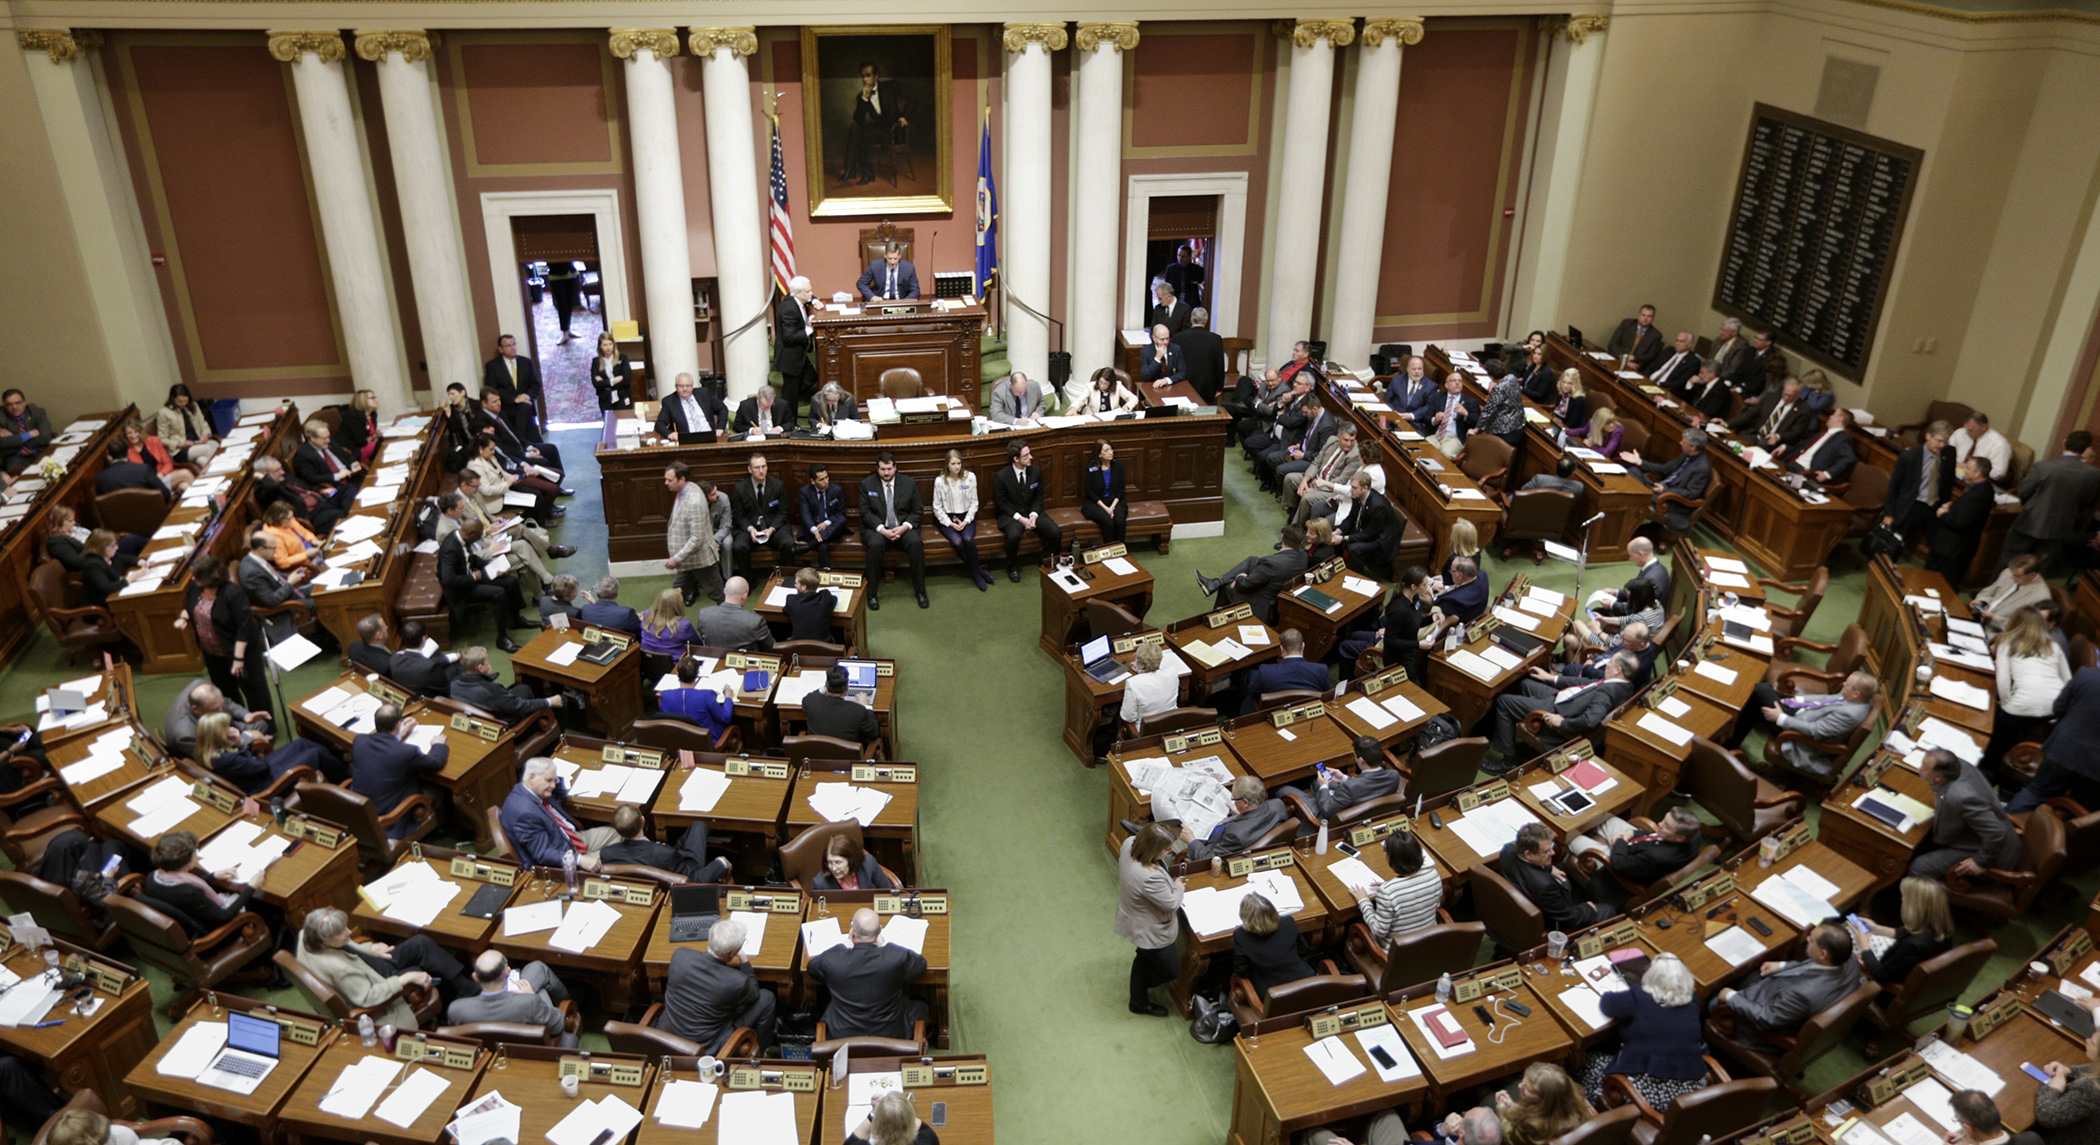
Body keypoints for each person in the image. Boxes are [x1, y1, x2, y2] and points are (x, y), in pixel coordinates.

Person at [296, 907, 474, 1029]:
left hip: (368, 965)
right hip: (376, 984)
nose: (349, 932)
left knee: (422, 943)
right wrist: (405, 979)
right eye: (342, 932)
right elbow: (368, 997)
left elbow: (347, 946)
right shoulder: (340, 970)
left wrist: (369, 948)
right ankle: (460, 1003)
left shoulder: (309, 934)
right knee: (419, 970)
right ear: (326, 941)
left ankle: (468, 990)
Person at [1575, 952, 1706, 1109]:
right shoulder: (1693, 1001)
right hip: (1691, 1091)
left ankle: (1590, 1107)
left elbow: (1607, 1003)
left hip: (1648, 1095)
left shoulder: (1640, 997)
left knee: (1588, 1061)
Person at [1712, 922, 1863, 1053]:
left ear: (1823, 953)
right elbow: (1815, 966)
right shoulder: (1849, 960)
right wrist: (1782, 966)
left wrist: (1731, 997)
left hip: (1761, 1028)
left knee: (1713, 1002)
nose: (1807, 939)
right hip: (1781, 992)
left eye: (1811, 940)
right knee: (1750, 974)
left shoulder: (1802, 995)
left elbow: (1765, 1018)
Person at [1487, 651, 1640, 768]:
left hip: (1558, 711)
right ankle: (1508, 730)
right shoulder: (1626, 685)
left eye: (1610, 662)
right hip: (1568, 700)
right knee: (1526, 683)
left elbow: (1590, 720)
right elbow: (1586, 683)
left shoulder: (1607, 692)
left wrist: (1563, 722)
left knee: (1504, 701)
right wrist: (1550, 678)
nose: (1606, 663)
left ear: (1617, 670)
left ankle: (1508, 761)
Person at [1725, 670, 1878, 779]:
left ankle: (1730, 745)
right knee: (1758, 702)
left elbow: (1814, 731)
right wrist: (1793, 701)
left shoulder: (1850, 714)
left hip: (1798, 736)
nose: (1844, 684)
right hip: (1799, 717)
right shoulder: (1854, 698)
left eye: (1848, 685)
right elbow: (1826, 698)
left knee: (1762, 690)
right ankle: (1731, 744)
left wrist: (1781, 718)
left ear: (1856, 694)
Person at [172, 557, 273, 717]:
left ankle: (266, 727)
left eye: (197, 576)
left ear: (209, 578)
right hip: (213, 653)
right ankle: (241, 725)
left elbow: (243, 627)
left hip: (241, 651)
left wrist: (238, 659)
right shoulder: (195, 587)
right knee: (226, 692)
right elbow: (188, 606)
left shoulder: (232, 592)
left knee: (254, 691)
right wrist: (183, 618)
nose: (193, 578)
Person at [660, 916, 776, 1052]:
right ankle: (758, 1051)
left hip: (668, 1038)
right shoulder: (736, 981)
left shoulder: (680, 956)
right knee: (766, 997)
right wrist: (743, 959)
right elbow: (754, 993)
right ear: (733, 953)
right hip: (707, 1046)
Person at [808, 906, 928, 1039]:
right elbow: (920, 965)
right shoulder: (896, 957)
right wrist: (885, 945)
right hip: (891, 1034)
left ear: (853, 931)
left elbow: (812, 968)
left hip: (842, 1034)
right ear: (880, 930)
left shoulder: (832, 959)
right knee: (921, 1003)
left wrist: (844, 945)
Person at [1566, 806, 1704, 910]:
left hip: (1616, 868)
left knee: (1573, 838)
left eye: (1666, 826)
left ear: (1680, 838)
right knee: (1605, 817)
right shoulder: (1694, 835)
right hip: (1639, 848)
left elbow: (1618, 865)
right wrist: (1630, 832)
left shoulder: (1656, 857)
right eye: (1664, 820)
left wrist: (1621, 839)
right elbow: (1653, 837)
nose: (1659, 824)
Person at [1910, 750, 2021, 878]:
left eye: (1924, 769)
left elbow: (1996, 833)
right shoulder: (1958, 765)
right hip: (1977, 834)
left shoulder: (1961, 797)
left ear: (1939, 777)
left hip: (1992, 853)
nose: (1919, 769)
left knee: (1919, 867)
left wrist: (1980, 861)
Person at [1114, 822, 1185, 1016]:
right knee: (1170, 971)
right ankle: (1141, 991)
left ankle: (1138, 1001)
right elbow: (1171, 903)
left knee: (1144, 958)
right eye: (1166, 849)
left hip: (1135, 917)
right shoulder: (1148, 876)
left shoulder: (1130, 843)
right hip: (1151, 929)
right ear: (1153, 849)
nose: (1170, 852)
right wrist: (1178, 887)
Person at [1990, 606, 2072, 769]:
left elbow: (2003, 681)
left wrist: (2005, 706)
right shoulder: (2053, 646)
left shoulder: (2007, 642)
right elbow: (2069, 681)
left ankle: (1989, 767)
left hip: (2021, 706)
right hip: (2054, 708)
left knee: (1997, 732)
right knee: (2017, 728)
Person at [350, 703, 450, 834]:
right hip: (388, 816)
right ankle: (437, 829)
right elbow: (436, 763)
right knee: (436, 792)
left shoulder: (359, 740)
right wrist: (438, 745)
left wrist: (398, 735)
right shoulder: (406, 752)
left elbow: (383, 749)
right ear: (398, 725)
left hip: (361, 808)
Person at [501, 757, 615, 870]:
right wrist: (578, 860)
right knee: (619, 856)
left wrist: (554, 776)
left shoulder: (527, 789)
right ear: (532, 777)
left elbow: (561, 795)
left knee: (617, 833)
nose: (553, 786)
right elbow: (543, 854)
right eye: (548, 780)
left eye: (554, 780)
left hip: (570, 838)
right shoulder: (524, 813)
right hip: (563, 857)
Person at [2008, 431, 2100, 570]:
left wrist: (2034, 506)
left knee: (2010, 561)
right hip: (2060, 527)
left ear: (2064, 443)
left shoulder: (2043, 466)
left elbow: (2023, 492)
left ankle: (1997, 590)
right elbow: (2085, 500)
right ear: (2084, 449)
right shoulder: (2093, 474)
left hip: (2030, 521)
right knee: (2038, 569)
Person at [145, 830, 268, 932]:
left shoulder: (153, 877)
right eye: (195, 852)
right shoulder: (190, 894)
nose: (196, 855)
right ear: (186, 863)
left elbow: (181, 888)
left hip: (191, 916)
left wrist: (213, 876)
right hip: (213, 929)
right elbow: (223, 917)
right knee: (262, 904)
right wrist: (252, 886)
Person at [437, 519, 532, 652]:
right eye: (476, 537)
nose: (477, 540)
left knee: (511, 582)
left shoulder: (462, 537)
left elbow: (472, 558)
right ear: (470, 534)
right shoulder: (450, 549)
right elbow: (448, 580)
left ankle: (516, 620)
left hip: (472, 576)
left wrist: (494, 567)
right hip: (461, 589)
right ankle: (502, 638)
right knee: (499, 593)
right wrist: (473, 577)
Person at [194, 710, 343, 792]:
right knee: (315, 754)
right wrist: (240, 743)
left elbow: (252, 765)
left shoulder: (208, 750)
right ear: (218, 734)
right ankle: (343, 779)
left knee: (301, 744)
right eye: (226, 728)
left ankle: (339, 760)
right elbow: (261, 767)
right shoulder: (226, 759)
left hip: (258, 772)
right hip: (266, 783)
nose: (232, 729)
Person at [449, 951, 576, 1047]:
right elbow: (558, 1025)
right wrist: (532, 995)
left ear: (475, 977)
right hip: (530, 1051)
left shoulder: (456, 1009)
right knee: (540, 982)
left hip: (489, 1052)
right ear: (507, 972)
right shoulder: (530, 1002)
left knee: (537, 969)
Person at [1498, 822, 1605, 932]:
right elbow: (1566, 919)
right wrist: (1587, 909)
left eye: (1551, 847)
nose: (1553, 853)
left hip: (1526, 900)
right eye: (1546, 851)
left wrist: (1549, 868)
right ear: (1529, 855)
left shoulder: (1508, 850)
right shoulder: (1546, 887)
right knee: (1608, 910)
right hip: (1551, 920)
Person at [1849, 876, 1956, 986]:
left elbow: (1880, 975)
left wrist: (1865, 947)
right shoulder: (1942, 928)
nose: (1902, 899)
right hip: (1904, 968)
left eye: (1905, 897)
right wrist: (1877, 929)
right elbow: (1908, 934)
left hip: (1885, 987)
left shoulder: (1912, 946)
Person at [1196, 523, 1310, 624]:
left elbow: (1245, 585)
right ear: (1301, 542)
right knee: (1252, 560)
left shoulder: (1271, 563)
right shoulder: (1303, 557)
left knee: (1226, 588)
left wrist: (1240, 577)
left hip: (1263, 606)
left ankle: (1212, 619)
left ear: (1282, 537)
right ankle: (1215, 583)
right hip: (1277, 593)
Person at [861, 452, 928, 609]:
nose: (886, 473)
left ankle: (921, 591)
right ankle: (871, 594)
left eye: (889, 469)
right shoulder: (867, 484)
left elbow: (918, 510)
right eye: (883, 469)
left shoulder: (909, 483)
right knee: (875, 545)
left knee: (916, 543)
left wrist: (904, 527)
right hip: (877, 528)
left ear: (895, 467)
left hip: (903, 526)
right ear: (877, 469)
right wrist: (882, 530)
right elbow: (865, 513)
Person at [1336, 566, 1430, 677]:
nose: (1427, 587)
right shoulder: (1399, 609)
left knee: (1346, 644)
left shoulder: (1415, 599)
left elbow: (1391, 639)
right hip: (1393, 642)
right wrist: (1418, 644)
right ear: (1413, 586)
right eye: (1424, 584)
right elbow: (1392, 637)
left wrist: (1432, 618)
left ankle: (1348, 676)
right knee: (1355, 635)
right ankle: (1349, 677)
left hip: (1392, 652)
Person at [1286, 735, 1402, 822]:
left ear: (1361, 760)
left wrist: (1324, 786)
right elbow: (1366, 785)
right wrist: (1344, 778)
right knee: (1316, 784)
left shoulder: (1349, 788)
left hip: (1333, 819)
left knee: (1284, 789)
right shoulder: (1394, 776)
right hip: (1364, 810)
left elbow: (1327, 811)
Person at [602, 805, 730, 883]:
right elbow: (693, 880)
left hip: (663, 860)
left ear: (617, 830)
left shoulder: (607, 854)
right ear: (643, 821)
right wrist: (720, 864)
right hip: (675, 866)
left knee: (697, 827)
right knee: (699, 826)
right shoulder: (665, 853)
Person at [1621, 428, 1713, 535]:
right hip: (1660, 488)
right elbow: (1665, 469)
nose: (1680, 443)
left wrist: (1665, 491)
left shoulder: (1702, 468)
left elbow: (1691, 494)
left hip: (1671, 501)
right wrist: (1639, 462)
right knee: (1633, 472)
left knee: (1634, 493)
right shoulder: (1686, 455)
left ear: (1693, 447)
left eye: (1683, 442)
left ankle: (1624, 528)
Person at [993, 440, 1061, 581]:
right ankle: (1012, 566)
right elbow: (1002, 504)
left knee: (1055, 532)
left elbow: (1039, 497)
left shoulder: (1035, 471)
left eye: (1029, 453)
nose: (1031, 457)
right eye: (1026, 455)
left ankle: (1044, 559)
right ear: (1016, 459)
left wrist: (1034, 515)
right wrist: (1021, 519)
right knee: (1013, 536)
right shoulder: (1002, 476)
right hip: (1012, 515)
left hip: (1033, 512)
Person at [1183, 775, 1291, 861]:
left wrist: (1191, 840)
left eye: (1234, 798)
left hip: (1206, 844)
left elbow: (1209, 859)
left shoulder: (1235, 835)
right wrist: (1242, 812)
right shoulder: (1278, 804)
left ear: (1245, 802)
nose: (1233, 801)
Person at [1883, 421, 1958, 544]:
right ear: (1928, 436)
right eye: (1938, 440)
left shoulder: (1949, 453)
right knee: (1894, 543)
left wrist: (1945, 505)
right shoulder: (1909, 457)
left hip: (1934, 507)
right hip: (1911, 505)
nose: (1942, 445)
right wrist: (1889, 513)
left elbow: (1948, 482)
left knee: (1936, 544)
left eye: (1945, 442)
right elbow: (1894, 486)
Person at [451, 646, 567, 725]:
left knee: (523, 689)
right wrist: (549, 701)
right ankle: (553, 742)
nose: (490, 664)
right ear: (481, 668)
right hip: (507, 726)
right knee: (563, 701)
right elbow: (522, 706)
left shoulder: (454, 683)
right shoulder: (493, 691)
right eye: (488, 662)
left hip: (484, 712)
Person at [662, 461, 724, 606]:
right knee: (676, 594)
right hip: (689, 560)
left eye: (669, 480)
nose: (666, 483)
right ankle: (668, 622)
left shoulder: (694, 501)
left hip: (700, 559)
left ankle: (734, 619)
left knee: (718, 594)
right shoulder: (686, 490)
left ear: (682, 480)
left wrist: (676, 558)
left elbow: (697, 539)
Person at [1927, 456, 1999, 577]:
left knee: (1941, 581)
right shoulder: (1985, 488)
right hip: (1955, 546)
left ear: (1977, 473)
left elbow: (1960, 522)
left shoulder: (1977, 495)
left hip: (1953, 548)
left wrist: (1943, 514)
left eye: (1968, 468)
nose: (1963, 469)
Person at [1233, 891, 1316, 995]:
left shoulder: (1241, 935)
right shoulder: (1288, 922)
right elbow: (1303, 950)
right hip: (1306, 982)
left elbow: (1242, 970)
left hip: (1272, 993)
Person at [165, 679, 269, 761]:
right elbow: (216, 759)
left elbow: (227, 703)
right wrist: (246, 738)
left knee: (261, 725)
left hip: (221, 728)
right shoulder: (186, 734)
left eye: (220, 706)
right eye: (215, 709)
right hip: (211, 748)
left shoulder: (201, 685)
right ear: (195, 709)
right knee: (256, 737)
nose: (222, 711)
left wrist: (246, 716)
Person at [932, 448, 989, 593]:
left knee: (968, 538)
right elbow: (937, 507)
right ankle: (977, 571)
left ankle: (976, 573)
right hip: (948, 519)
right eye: (953, 464)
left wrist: (967, 520)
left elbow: (974, 503)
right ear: (947, 465)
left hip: (966, 517)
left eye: (959, 463)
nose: (956, 467)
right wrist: (950, 523)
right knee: (957, 541)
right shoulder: (940, 481)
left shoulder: (970, 477)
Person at [729, 453, 794, 580]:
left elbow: (782, 513)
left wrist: (771, 529)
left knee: (788, 543)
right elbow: (739, 515)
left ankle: (785, 577)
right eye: (757, 468)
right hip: (750, 528)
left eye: (764, 467)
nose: (761, 471)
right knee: (739, 547)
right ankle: (748, 580)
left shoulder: (778, 485)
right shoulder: (740, 488)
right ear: (749, 469)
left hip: (772, 526)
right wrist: (750, 529)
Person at [1494, 1063, 1594, 1145]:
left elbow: (1511, 1138)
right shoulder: (1573, 1096)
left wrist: (1502, 1108)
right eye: (1522, 1081)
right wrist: (1513, 1106)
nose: (1520, 1086)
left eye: (1527, 1089)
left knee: (1483, 1093)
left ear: (1544, 1099)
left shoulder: (1532, 1125)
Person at [466, 433, 553, 528]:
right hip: (495, 499)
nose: (493, 452)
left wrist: (513, 477)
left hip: (504, 490)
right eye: (490, 449)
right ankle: (534, 524)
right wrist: (508, 483)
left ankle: (536, 521)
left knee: (536, 493)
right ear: (480, 449)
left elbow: (501, 472)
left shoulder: (490, 458)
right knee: (534, 500)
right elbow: (487, 490)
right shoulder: (475, 466)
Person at [2033, 1026, 2100, 1145]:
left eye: (2093, 1043)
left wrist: (2053, 1088)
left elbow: (2047, 1116)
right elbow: (2093, 1070)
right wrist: (2068, 1070)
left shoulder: (2090, 1089)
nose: (2087, 1040)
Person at [1240, 628, 1328, 713]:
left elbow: (1253, 693)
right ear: (1303, 646)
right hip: (1308, 711)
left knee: (1251, 676)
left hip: (1274, 714)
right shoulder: (1321, 670)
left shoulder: (1265, 671)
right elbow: (1327, 695)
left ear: (1281, 649)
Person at [1288, 424, 1363, 523]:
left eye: (1352, 440)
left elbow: (1341, 480)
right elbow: (1316, 462)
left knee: (1307, 497)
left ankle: (1296, 526)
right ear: (1338, 437)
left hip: (1330, 488)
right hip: (1317, 477)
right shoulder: (1331, 440)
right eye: (1346, 440)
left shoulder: (1355, 455)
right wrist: (1305, 480)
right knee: (1290, 478)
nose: (1349, 444)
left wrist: (1315, 489)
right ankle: (1292, 510)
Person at [253, 454, 345, 533]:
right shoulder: (264, 491)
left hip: (322, 500)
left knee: (348, 490)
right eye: (277, 471)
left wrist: (320, 491)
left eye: (281, 468)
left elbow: (306, 486)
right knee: (342, 516)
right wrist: (265, 479)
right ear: (265, 474)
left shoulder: (285, 477)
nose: (282, 472)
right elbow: (273, 487)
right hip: (311, 516)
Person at [1332, 472, 1400, 577]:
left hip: (1380, 540)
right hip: (1365, 528)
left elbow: (1369, 535)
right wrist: (1338, 531)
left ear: (1365, 488)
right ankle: (1338, 567)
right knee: (1336, 533)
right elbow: (1351, 519)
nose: (1351, 490)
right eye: (1351, 487)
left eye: (1354, 487)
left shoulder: (1378, 506)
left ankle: (1355, 577)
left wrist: (1343, 538)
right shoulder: (1357, 496)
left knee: (1355, 549)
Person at [1567, 579, 1661, 656]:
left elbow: (1613, 644)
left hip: (1617, 650)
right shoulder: (1656, 604)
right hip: (1629, 643)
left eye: (1629, 597)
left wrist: (1598, 632)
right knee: (1572, 639)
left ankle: (1584, 655)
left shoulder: (1640, 619)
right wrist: (1603, 618)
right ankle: (1575, 653)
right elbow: (1629, 619)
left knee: (1577, 624)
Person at [1117, 641, 1189, 737]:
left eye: (1137, 659)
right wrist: (1142, 670)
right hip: (1172, 724)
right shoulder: (1172, 671)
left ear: (1142, 665)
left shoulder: (1133, 683)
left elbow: (1128, 717)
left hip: (1146, 731)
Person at [1725, 375, 1815, 451]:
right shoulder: (1771, 398)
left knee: (1756, 449)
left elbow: (1796, 432)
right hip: (1754, 433)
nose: (1786, 398)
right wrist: (1727, 424)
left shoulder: (1804, 410)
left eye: (1790, 396)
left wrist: (1779, 436)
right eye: (1785, 394)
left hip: (1771, 441)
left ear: (1798, 394)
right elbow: (1749, 414)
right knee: (1734, 447)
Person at [658, 654, 738, 739]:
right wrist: (728, 697)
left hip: (678, 740)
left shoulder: (665, 695)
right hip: (707, 742)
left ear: (677, 674)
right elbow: (725, 718)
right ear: (697, 674)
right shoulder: (706, 696)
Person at [481, 333, 542, 442]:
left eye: (513, 344)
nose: (512, 348)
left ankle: (524, 443)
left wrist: (526, 395)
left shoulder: (526, 362)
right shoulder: (492, 366)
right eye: (508, 345)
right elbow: (492, 391)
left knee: (524, 408)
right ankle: (522, 443)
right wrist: (513, 398)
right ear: (500, 349)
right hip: (506, 407)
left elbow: (535, 385)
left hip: (525, 406)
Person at [1972, 554, 2051, 634]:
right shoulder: (2010, 572)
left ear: (2032, 575)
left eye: (2017, 576)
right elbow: (1990, 591)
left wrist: (1994, 618)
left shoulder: (2041, 597)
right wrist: (1980, 601)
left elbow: (2024, 628)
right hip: (1978, 616)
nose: (2012, 578)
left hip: (1996, 632)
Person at [804, 665, 880, 748]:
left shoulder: (810, 701)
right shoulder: (858, 710)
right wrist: (866, 706)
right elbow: (873, 733)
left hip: (817, 758)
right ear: (847, 688)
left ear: (826, 685)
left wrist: (826, 687)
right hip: (849, 759)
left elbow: (814, 695)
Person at [1780, 408, 1859, 484]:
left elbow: (1849, 458)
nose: (1830, 416)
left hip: (1803, 472)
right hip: (1789, 462)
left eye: (1833, 414)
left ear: (1840, 419)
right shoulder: (1822, 433)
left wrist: (1828, 473)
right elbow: (1802, 447)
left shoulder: (1843, 438)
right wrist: (1785, 447)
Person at [773, 276, 815, 414]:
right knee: (790, 397)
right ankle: (789, 424)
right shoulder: (789, 309)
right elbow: (789, 337)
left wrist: (814, 300)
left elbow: (810, 298)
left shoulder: (794, 298)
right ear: (798, 293)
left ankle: (788, 398)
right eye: (808, 292)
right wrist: (809, 330)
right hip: (790, 357)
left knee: (811, 377)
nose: (811, 293)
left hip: (799, 354)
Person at [693, 576, 773, 650]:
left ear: (724, 591)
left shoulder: (704, 614)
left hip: (715, 659)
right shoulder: (755, 621)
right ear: (745, 596)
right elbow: (771, 647)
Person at [797, 462, 849, 572]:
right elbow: (805, 514)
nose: (826, 481)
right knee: (823, 546)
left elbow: (841, 513)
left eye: (827, 477)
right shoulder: (804, 492)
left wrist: (826, 523)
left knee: (842, 520)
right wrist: (815, 530)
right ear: (812, 481)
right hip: (813, 528)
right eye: (821, 480)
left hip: (832, 528)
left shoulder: (837, 490)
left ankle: (811, 546)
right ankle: (825, 574)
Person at [292, 418, 363, 499]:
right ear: (312, 438)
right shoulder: (303, 454)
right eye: (324, 438)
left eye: (328, 436)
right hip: (336, 485)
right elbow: (312, 478)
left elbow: (345, 454)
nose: (328, 440)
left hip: (351, 477)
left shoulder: (330, 442)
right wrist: (337, 476)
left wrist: (353, 463)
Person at [389, 620, 462, 694]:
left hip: (409, 691)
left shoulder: (394, 658)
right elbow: (445, 689)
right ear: (424, 639)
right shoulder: (431, 667)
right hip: (429, 697)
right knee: (455, 665)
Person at [79, 528, 146, 608]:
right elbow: (107, 588)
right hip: (100, 606)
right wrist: (130, 578)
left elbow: (125, 559)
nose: (117, 547)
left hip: (116, 596)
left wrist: (140, 561)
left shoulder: (109, 556)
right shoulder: (93, 565)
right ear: (101, 547)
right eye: (113, 545)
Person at [155, 382, 218, 467]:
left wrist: (205, 435)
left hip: (197, 443)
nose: (183, 404)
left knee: (203, 460)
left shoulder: (193, 406)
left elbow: (203, 424)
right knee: (207, 449)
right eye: (180, 402)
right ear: (173, 399)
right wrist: (180, 444)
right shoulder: (164, 413)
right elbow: (162, 439)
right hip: (180, 450)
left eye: (186, 401)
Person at [655, 372, 728, 444]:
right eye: (681, 386)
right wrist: (670, 434)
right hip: (687, 441)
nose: (685, 389)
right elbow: (660, 424)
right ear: (676, 386)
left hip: (709, 437)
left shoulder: (704, 394)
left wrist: (720, 427)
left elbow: (722, 409)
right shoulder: (669, 402)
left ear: (692, 386)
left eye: (688, 386)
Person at [1173, 306, 1226, 402]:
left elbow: (1173, 363)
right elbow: (1219, 365)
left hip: (1183, 385)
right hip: (1207, 388)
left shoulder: (1178, 338)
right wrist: (1219, 387)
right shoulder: (1215, 339)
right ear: (1206, 320)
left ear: (1191, 319)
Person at [1081, 439, 1128, 545]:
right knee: (1108, 522)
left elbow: (1121, 489)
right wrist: (1106, 508)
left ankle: (1120, 549)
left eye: (1111, 449)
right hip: (1096, 503)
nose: (1110, 452)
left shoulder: (1118, 465)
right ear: (1099, 454)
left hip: (1115, 501)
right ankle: (1109, 549)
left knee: (1119, 521)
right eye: (1106, 450)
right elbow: (1090, 491)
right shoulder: (1091, 467)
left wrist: (1112, 507)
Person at [1950, 411, 2014, 487]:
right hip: (1952, 474)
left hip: (1976, 483)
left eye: (1971, 430)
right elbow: (1947, 450)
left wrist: (1973, 470)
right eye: (1966, 429)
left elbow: (1998, 473)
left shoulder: (1999, 445)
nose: (1967, 433)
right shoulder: (1961, 432)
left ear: (1983, 427)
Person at [849, 1091, 939, 1145]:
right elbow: (917, 1124)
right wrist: (900, 1110)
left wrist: (873, 1114)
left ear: (878, 1125)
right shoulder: (927, 1139)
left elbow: (851, 1143)